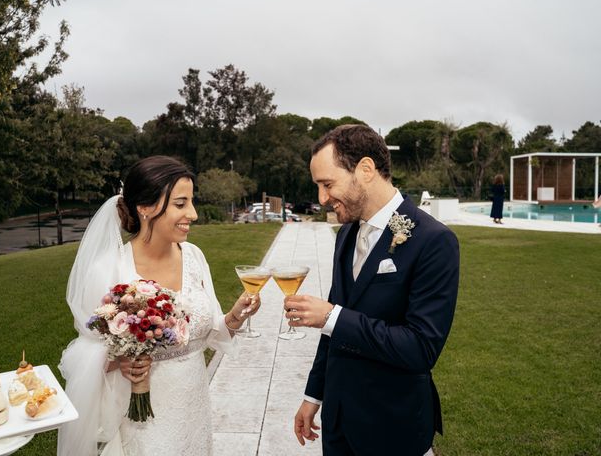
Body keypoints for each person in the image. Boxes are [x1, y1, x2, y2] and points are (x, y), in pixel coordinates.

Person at [57, 155, 258, 456]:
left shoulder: (194, 256)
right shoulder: (108, 269)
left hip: (194, 409)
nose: (193, 213)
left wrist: (235, 316)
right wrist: (120, 361)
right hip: (144, 420)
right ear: (145, 208)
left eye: (191, 201)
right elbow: (85, 356)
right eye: (180, 203)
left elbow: (210, 332)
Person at [285, 125, 459, 456]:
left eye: (327, 184)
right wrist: (314, 395)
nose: (322, 198)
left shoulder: (432, 241)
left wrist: (333, 316)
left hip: (393, 427)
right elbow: (331, 330)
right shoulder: (345, 235)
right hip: (337, 423)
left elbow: (421, 347)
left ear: (365, 170)